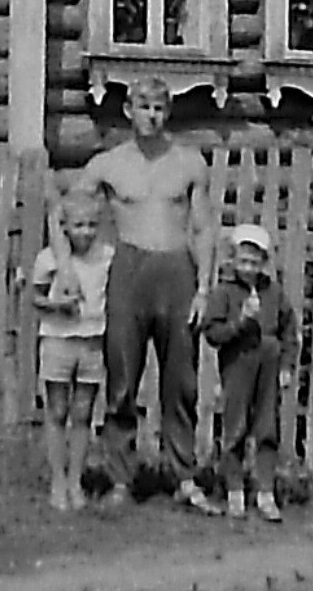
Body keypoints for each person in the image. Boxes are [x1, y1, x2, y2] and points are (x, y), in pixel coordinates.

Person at [82, 76, 215, 509]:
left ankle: (184, 477)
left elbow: (201, 227)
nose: (151, 116)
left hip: (176, 268)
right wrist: (71, 265)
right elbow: (67, 209)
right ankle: (120, 478)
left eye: (159, 108)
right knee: (121, 377)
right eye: (143, 106)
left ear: (168, 113)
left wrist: (204, 287)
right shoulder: (108, 164)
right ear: (128, 111)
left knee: (181, 382)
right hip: (129, 267)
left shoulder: (189, 163)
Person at [26, 184, 114, 513]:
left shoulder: (106, 257)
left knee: (83, 414)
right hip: (58, 340)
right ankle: (57, 481)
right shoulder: (49, 259)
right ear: (64, 228)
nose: (86, 232)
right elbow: (34, 298)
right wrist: (56, 304)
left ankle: (77, 481)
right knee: (57, 411)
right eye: (79, 226)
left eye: (92, 225)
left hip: (92, 341)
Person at [201, 222, 294, 522]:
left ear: (264, 263)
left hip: (268, 361)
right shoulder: (224, 292)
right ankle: (235, 491)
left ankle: (266, 491)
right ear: (233, 260)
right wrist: (240, 322)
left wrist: (287, 366)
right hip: (237, 361)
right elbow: (213, 334)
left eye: (255, 262)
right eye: (243, 261)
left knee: (267, 427)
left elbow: (289, 332)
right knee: (235, 426)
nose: (249, 268)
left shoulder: (274, 293)